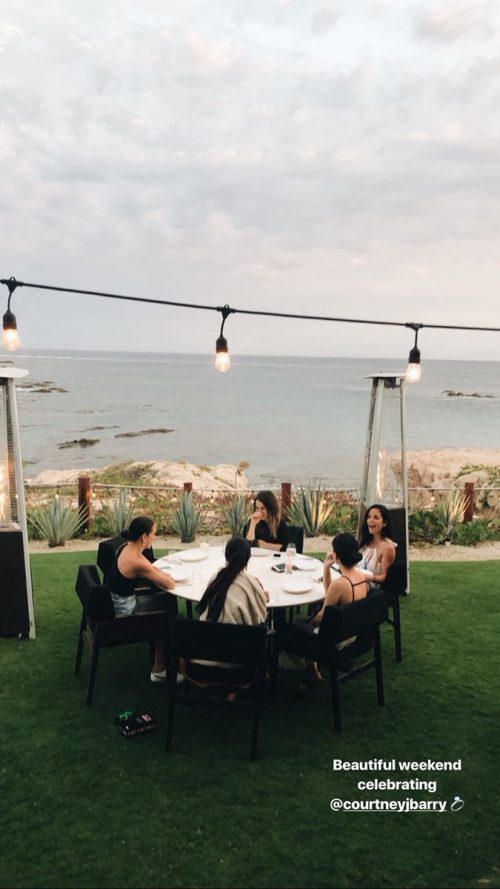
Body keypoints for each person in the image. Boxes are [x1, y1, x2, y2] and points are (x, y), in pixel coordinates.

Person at [279, 533, 371, 686]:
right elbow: (330, 595)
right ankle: (311, 667)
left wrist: (308, 622)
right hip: (352, 632)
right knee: (303, 623)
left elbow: (322, 617)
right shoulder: (360, 577)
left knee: (289, 628)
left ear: (336, 555)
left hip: (334, 639)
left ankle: (309, 671)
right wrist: (326, 568)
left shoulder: (340, 583)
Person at [182, 537, 269, 680]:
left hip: (202, 665)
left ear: (226, 556)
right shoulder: (252, 585)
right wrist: (261, 597)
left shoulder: (215, 579)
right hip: (240, 668)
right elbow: (260, 619)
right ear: (248, 559)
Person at [106, 516, 177, 682]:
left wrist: (161, 574)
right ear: (144, 537)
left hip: (115, 602)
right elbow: (169, 584)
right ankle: (159, 669)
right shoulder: (136, 561)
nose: (155, 537)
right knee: (166, 615)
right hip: (124, 611)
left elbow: (151, 568)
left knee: (167, 601)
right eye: (154, 533)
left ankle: (164, 652)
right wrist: (168, 577)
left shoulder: (126, 547)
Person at [358, 503, 396, 586]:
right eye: (369, 517)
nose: (370, 520)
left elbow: (384, 577)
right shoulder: (365, 543)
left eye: (376, 518)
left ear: (384, 523)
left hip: (369, 587)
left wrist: (370, 577)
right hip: (355, 581)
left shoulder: (387, 547)